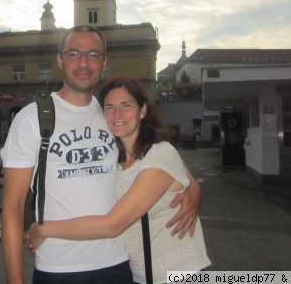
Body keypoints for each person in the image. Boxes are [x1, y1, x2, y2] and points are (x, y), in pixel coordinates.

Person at [1, 25, 201, 283]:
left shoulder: (111, 116)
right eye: (74, 54)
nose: (83, 63)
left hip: (117, 264)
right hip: (58, 268)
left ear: (104, 62)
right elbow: (12, 207)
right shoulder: (32, 119)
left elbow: (160, 157)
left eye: (93, 55)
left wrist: (194, 188)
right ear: (60, 59)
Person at [26, 77, 211, 283]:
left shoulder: (161, 154)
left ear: (142, 110)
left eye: (126, 105)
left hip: (181, 271)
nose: (117, 114)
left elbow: (112, 225)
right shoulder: (114, 157)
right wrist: (194, 188)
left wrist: (42, 229)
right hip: (139, 275)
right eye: (110, 107)